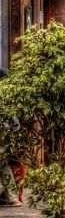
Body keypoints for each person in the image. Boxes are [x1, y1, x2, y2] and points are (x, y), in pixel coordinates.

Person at [0, 69, 22, 207]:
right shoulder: (8, 98)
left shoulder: (4, 99)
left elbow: (14, 123)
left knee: (4, 166)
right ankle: (13, 198)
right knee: (4, 167)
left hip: (3, 137)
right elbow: (15, 124)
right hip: (6, 138)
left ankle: (12, 198)